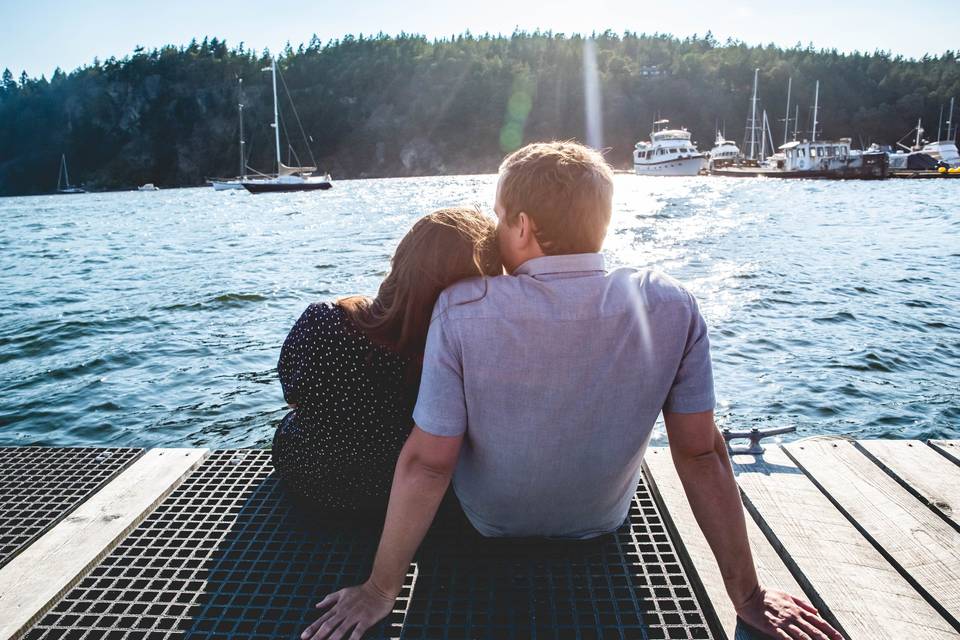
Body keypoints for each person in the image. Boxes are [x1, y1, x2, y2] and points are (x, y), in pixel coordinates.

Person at [300, 142, 842, 640]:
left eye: (497, 216)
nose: (492, 230)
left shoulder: (463, 308)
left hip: (489, 523)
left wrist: (378, 591)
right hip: (599, 523)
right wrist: (747, 595)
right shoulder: (671, 304)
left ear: (523, 225)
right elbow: (700, 453)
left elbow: (428, 465)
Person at [273, 207, 501, 520]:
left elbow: (293, 395)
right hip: (407, 497)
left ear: (402, 261)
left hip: (310, 479)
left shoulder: (322, 321)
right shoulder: (456, 351)